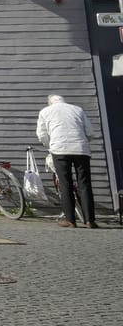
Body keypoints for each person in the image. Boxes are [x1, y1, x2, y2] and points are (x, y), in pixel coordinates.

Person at [36, 93, 98, 229]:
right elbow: (90, 132)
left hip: (60, 150)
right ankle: (90, 221)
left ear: (50, 102)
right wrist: (82, 142)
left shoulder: (45, 111)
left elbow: (42, 134)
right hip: (81, 149)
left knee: (65, 184)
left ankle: (70, 220)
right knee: (85, 184)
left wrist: (50, 145)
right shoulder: (78, 109)